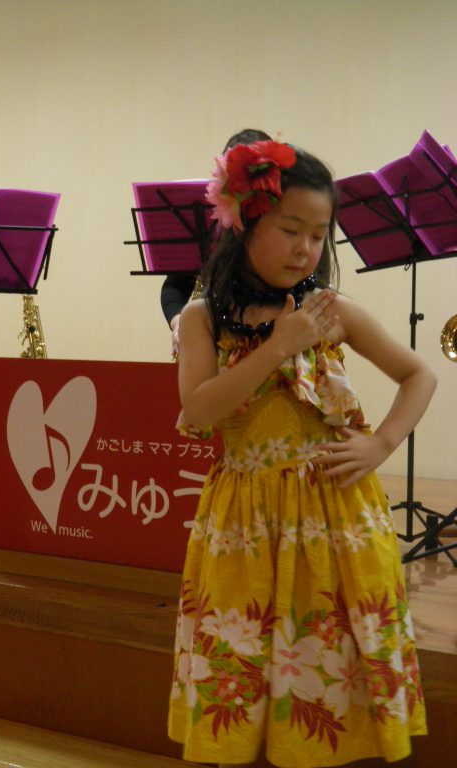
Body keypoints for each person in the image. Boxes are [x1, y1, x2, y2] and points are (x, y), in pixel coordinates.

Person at [169, 140, 435, 767]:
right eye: (290, 230)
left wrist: (381, 443)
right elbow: (199, 411)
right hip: (246, 522)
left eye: (318, 236)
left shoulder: (333, 311)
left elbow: (419, 375)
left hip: (335, 518)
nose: (305, 249)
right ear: (244, 222)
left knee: (329, 659)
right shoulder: (202, 318)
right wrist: (277, 347)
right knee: (245, 654)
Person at [161, 129, 272, 358]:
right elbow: (174, 287)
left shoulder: (281, 229)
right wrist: (179, 321)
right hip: (211, 346)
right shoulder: (210, 225)